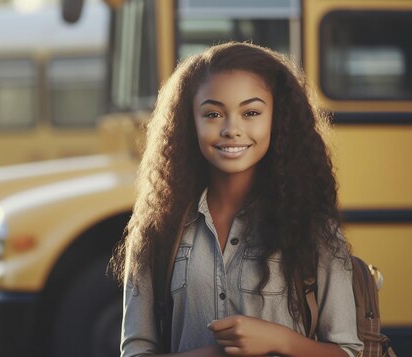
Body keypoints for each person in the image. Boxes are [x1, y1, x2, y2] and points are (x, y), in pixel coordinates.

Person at [111, 42, 363, 357]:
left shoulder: (313, 228)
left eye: (251, 112)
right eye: (213, 114)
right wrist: (214, 354)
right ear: (190, 122)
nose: (232, 129)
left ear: (278, 118)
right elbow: (135, 351)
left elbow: (350, 351)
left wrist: (279, 341)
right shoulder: (157, 230)